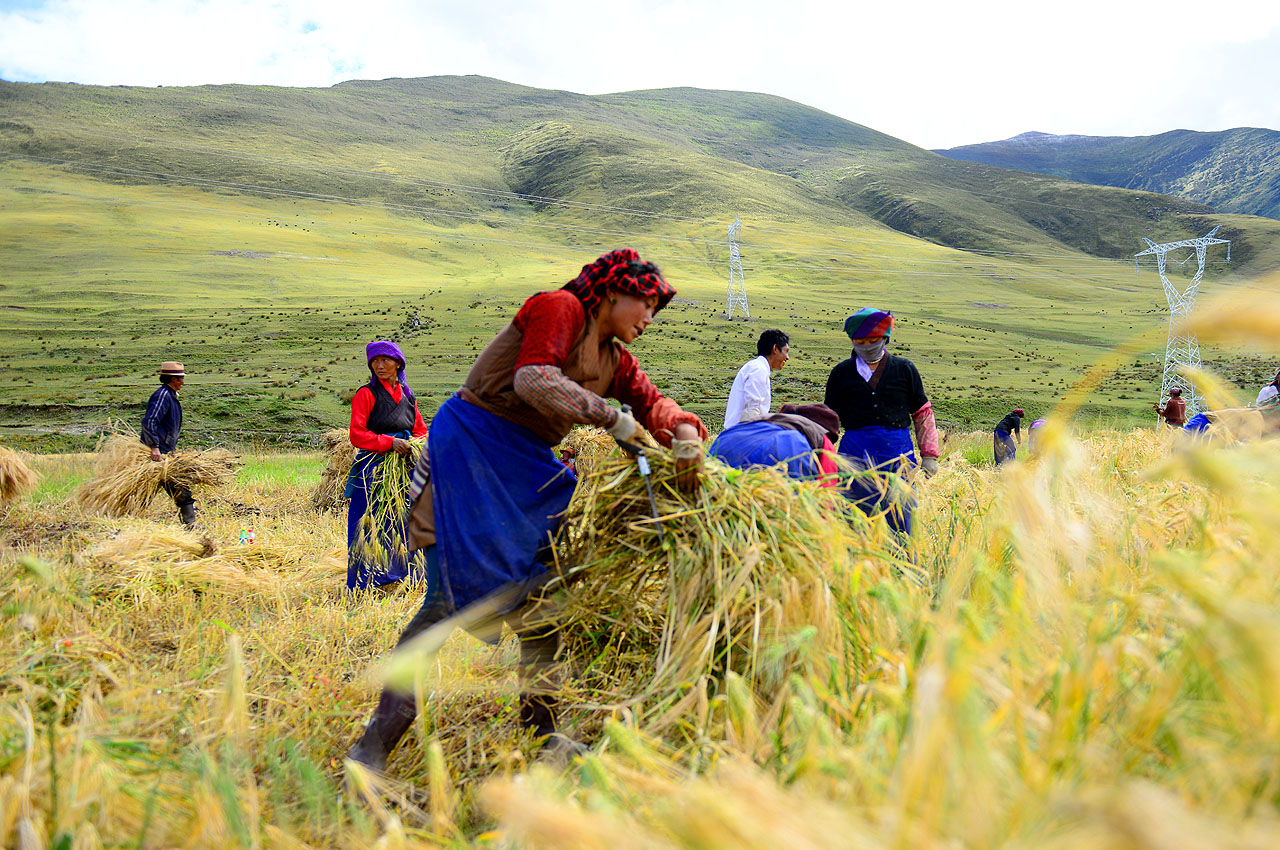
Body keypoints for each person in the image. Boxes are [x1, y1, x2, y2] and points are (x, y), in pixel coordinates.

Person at [347, 248, 708, 772]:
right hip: (474, 447)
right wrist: (611, 418)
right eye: (646, 304)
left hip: (527, 465)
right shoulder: (560, 308)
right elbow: (534, 379)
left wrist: (683, 434)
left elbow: (654, 403)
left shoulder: (615, 358)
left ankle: (544, 735)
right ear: (612, 291)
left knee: (544, 594)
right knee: (452, 597)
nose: (650, 319)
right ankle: (375, 741)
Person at [824, 309, 939, 535]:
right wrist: (822, 456)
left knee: (902, 520)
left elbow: (922, 413)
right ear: (852, 341)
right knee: (853, 520)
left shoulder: (904, 369)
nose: (867, 346)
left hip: (898, 459)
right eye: (861, 341)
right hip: (854, 459)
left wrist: (929, 455)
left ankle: (904, 567)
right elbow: (828, 419)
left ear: (885, 338)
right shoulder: (841, 374)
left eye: (873, 341)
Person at [345, 341, 429, 591]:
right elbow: (357, 435)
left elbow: (420, 430)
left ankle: (408, 575)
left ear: (398, 363)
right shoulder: (366, 394)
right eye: (375, 361)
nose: (379, 366)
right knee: (370, 519)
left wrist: (413, 444)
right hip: (374, 467)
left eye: (385, 360)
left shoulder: (407, 395)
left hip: (404, 467)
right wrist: (389, 442)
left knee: (405, 519)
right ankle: (368, 580)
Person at [710, 402, 839, 485]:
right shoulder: (822, 436)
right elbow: (827, 492)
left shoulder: (771, 419)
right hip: (784, 446)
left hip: (728, 438)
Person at [141, 360, 196, 527]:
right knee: (169, 485)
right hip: (158, 454)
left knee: (178, 485)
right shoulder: (163, 396)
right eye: (180, 378)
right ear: (172, 379)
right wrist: (154, 447)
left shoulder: (170, 395)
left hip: (165, 451)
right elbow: (149, 421)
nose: (182, 382)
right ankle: (189, 524)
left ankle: (189, 523)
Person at [724, 329, 790, 429]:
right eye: (786, 351)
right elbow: (751, 411)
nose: (787, 357)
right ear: (775, 349)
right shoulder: (758, 370)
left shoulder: (756, 367)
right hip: (742, 434)